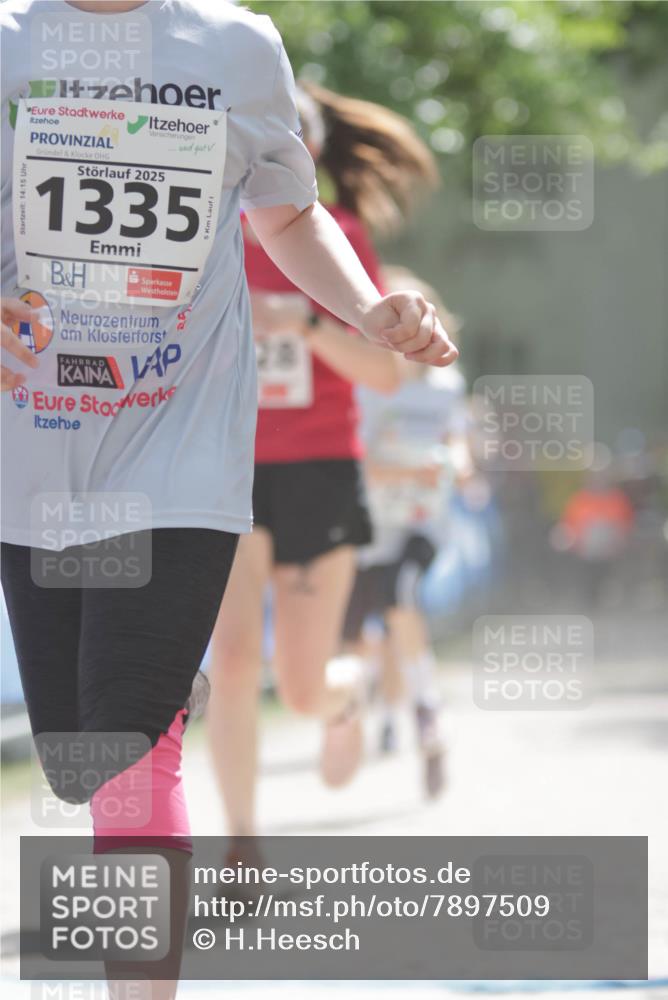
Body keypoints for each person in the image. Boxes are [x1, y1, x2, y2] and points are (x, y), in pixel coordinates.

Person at [0, 2, 458, 997]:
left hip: (184, 442)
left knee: (128, 747)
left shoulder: (234, 45)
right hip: (35, 449)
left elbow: (286, 213)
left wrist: (367, 310)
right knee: (83, 754)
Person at [206, 83, 443, 845]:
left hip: (318, 468)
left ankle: (344, 700)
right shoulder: (198, 232)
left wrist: (305, 323)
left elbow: (385, 375)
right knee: (236, 662)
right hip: (222, 469)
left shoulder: (334, 233)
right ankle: (242, 839)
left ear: (305, 151)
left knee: (303, 689)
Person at [343, 268, 471, 798]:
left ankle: (425, 717)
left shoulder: (446, 385)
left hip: (423, 524)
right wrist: (396, 470)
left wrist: (453, 465)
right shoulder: (361, 387)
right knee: (373, 632)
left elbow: (458, 444)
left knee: (400, 599)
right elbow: (354, 460)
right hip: (370, 528)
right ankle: (378, 712)